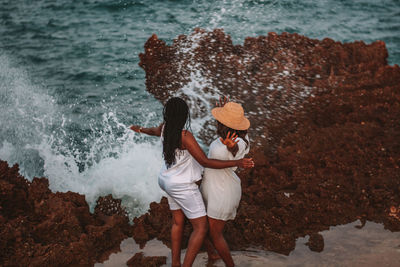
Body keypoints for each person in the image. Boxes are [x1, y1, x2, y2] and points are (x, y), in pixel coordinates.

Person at [130, 97, 254, 267]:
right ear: (184, 116)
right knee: (201, 228)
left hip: (166, 180)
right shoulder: (185, 136)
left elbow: (153, 131)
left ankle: (176, 263)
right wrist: (237, 163)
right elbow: (205, 162)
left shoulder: (165, 128)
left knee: (178, 222)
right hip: (181, 185)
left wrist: (139, 129)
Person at [200, 99, 250, 267]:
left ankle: (230, 265)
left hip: (222, 192)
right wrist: (225, 108)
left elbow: (236, 150)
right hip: (213, 188)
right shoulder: (237, 135)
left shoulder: (238, 142)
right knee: (201, 229)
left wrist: (231, 147)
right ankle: (212, 255)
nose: (217, 121)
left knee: (215, 234)